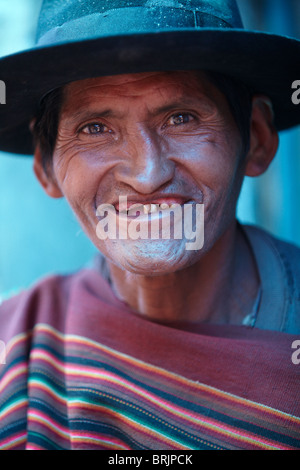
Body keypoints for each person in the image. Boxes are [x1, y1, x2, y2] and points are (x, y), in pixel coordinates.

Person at [0, 0, 300, 451]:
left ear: (256, 136)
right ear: (46, 167)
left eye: (181, 118)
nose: (147, 174)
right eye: (95, 128)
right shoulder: (14, 344)